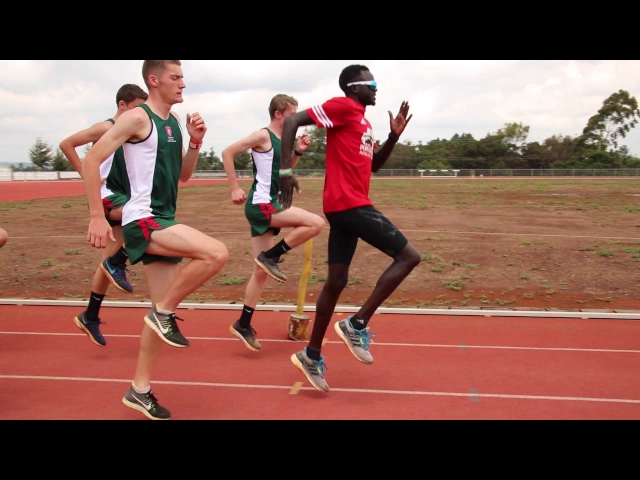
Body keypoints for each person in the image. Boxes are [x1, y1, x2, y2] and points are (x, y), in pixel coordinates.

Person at [82, 60, 230, 420]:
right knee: (216, 253)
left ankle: (140, 389)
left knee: (159, 311)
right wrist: (97, 216)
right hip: (142, 218)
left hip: (163, 218)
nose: (183, 84)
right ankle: (163, 314)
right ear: (154, 80)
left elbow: (184, 175)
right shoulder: (136, 118)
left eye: (183, 77)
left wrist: (196, 142)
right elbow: (91, 161)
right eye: (175, 77)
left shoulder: (173, 122)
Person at [278, 64, 420, 392]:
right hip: (349, 204)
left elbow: (374, 167)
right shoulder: (342, 106)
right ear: (354, 87)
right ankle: (357, 324)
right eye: (372, 83)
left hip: (346, 206)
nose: (376, 88)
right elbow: (291, 121)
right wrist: (285, 172)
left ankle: (311, 355)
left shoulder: (363, 121)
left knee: (337, 281)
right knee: (409, 257)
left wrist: (393, 137)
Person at [220, 94, 324, 351]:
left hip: (272, 204)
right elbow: (227, 152)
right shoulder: (262, 136)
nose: (296, 119)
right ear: (278, 114)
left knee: (259, 273)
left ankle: (243, 323)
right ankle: (272, 256)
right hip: (261, 205)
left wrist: (297, 151)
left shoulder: (284, 139)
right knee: (315, 223)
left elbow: (284, 170)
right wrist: (234, 188)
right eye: (292, 114)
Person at [59, 83, 148, 347]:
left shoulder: (133, 131)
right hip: (108, 196)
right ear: (122, 105)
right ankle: (118, 262)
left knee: (107, 261)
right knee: (147, 219)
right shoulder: (106, 127)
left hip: (124, 196)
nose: (140, 114)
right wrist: (86, 174)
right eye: (136, 108)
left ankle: (90, 315)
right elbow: (67, 144)